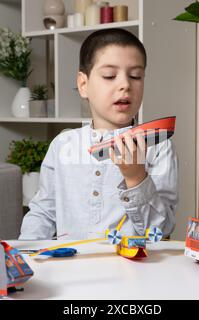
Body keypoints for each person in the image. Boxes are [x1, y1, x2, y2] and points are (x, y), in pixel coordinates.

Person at [19, 28, 178, 240]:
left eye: (135, 76)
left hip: (134, 271)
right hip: (70, 268)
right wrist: (24, 255)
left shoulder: (158, 147)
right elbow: (43, 213)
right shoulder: (63, 145)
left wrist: (136, 178)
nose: (125, 85)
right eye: (109, 76)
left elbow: (162, 231)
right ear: (83, 84)